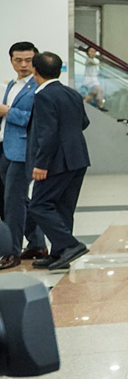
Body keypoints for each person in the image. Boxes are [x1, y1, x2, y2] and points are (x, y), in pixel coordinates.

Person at [27, 51, 90, 271]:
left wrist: (41, 164)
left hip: (56, 161)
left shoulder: (43, 95)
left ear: (35, 71)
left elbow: (48, 132)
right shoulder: (71, 93)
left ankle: (70, 245)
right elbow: (84, 122)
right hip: (78, 157)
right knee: (64, 207)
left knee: (39, 205)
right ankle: (59, 253)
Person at [0, 42, 47, 269]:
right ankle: (37, 243)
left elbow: (34, 119)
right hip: (6, 149)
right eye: (18, 60)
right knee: (19, 201)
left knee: (13, 203)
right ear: (11, 61)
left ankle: (12, 252)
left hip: (23, 151)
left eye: (28, 60)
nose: (24, 65)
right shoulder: (12, 84)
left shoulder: (37, 86)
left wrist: (7, 111)